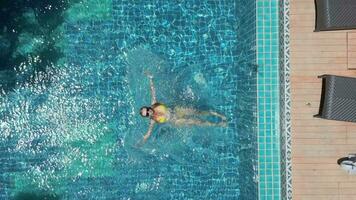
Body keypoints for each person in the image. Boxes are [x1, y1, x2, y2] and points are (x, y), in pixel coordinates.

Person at [137, 72, 227, 145]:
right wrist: (141, 142)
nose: (149, 111)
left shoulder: (154, 104)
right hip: (175, 120)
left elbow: (153, 90)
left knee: (197, 112)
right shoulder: (153, 120)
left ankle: (216, 114)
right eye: (147, 113)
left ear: (148, 107)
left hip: (177, 110)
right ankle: (218, 124)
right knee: (197, 122)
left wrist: (150, 78)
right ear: (147, 116)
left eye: (147, 109)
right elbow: (148, 134)